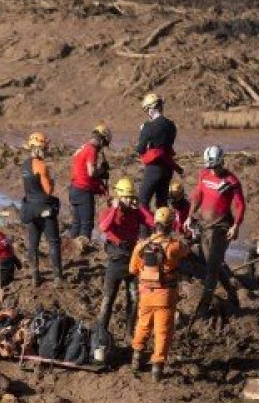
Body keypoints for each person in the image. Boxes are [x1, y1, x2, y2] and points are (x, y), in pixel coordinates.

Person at [129, 207, 190, 381]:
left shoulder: (141, 245)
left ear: (154, 224)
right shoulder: (174, 246)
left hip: (146, 294)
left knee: (142, 325)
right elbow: (187, 250)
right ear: (171, 225)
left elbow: (132, 269)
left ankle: (136, 359)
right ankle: (157, 368)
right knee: (163, 331)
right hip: (165, 295)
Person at [184, 145, 245, 319]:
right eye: (210, 167)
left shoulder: (231, 181)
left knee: (211, 267)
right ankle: (233, 294)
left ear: (222, 162)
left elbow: (240, 205)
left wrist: (236, 226)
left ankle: (203, 308)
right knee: (212, 263)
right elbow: (197, 195)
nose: (213, 170)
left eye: (216, 167)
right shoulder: (203, 175)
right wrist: (190, 216)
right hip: (204, 226)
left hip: (222, 228)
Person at [97, 178, 155, 338]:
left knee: (134, 298)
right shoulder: (108, 211)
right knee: (108, 299)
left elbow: (153, 222)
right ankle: (101, 332)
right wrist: (115, 209)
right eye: (126, 197)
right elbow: (103, 227)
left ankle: (129, 334)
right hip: (116, 260)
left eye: (131, 196)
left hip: (132, 259)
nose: (129, 200)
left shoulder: (135, 211)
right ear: (119, 196)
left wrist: (141, 209)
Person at [20, 132, 62, 285]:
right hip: (44, 208)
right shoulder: (41, 166)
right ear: (41, 148)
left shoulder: (24, 165)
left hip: (30, 207)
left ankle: (35, 276)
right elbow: (48, 190)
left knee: (33, 243)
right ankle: (57, 277)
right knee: (53, 242)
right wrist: (51, 181)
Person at [135, 93, 181, 210]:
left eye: (147, 110)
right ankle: (163, 227)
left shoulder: (148, 126)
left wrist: (142, 131)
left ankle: (145, 228)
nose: (147, 113)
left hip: (153, 169)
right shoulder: (171, 125)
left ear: (151, 108)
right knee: (161, 203)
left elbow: (140, 149)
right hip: (167, 169)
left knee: (142, 202)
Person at [67, 124, 112, 241]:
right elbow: (91, 172)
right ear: (101, 139)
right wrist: (102, 171)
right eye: (104, 143)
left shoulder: (83, 147)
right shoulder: (92, 150)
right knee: (86, 224)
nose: (103, 147)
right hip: (83, 191)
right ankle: (83, 251)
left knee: (76, 223)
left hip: (74, 189)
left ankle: (74, 248)